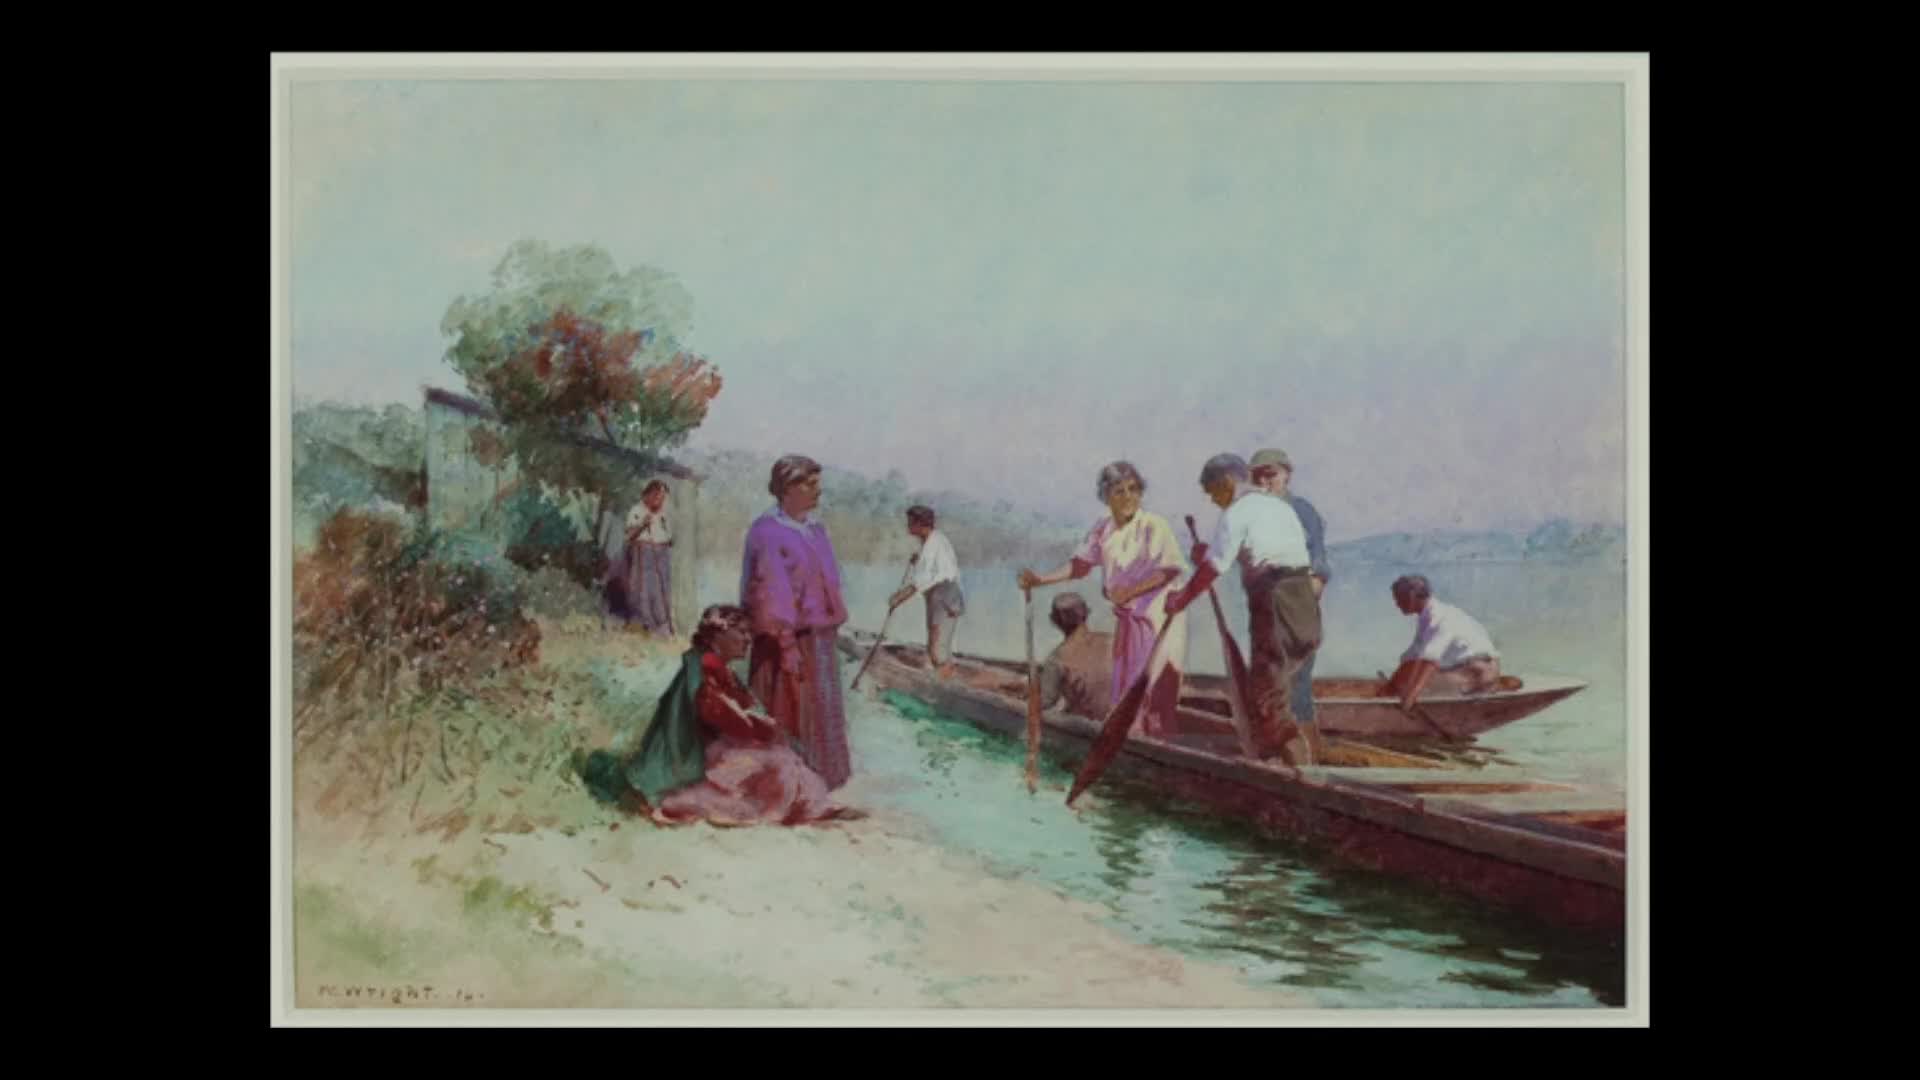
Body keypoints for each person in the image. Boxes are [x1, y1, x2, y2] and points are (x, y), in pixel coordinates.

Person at [576, 605, 860, 826]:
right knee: (780, 766)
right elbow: (722, 715)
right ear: (718, 635)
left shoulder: (719, 669)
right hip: (703, 756)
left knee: (787, 761)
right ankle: (683, 805)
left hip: (722, 751)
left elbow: (748, 712)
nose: (748, 640)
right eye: (742, 632)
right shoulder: (703, 669)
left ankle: (812, 806)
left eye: (749, 633)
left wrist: (761, 725)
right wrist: (758, 726)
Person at [1163, 453, 1320, 763]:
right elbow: (1264, 549)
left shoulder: (1237, 513)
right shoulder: (1279, 507)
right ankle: (1282, 754)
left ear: (1226, 483)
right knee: (1279, 685)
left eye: (1213, 493)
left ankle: (1290, 763)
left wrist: (1180, 599)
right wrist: (1209, 556)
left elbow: (1213, 569)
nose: (1213, 501)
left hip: (1273, 601)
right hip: (1304, 604)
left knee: (1267, 692)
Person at [1017, 461, 1189, 736]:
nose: (1128, 497)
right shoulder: (1104, 529)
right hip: (1128, 619)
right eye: (1119, 491)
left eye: (1133, 489)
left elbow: (1168, 570)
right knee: (1124, 686)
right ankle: (1130, 735)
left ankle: (1151, 739)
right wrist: (1041, 580)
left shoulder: (1153, 526)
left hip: (1158, 620)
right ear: (1106, 496)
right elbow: (1080, 566)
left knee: (1152, 686)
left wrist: (1129, 592)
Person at [739, 455, 854, 789]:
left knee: (820, 711)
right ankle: (785, 784)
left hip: (818, 635)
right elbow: (768, 590)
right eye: (809, 484)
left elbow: (828, 582)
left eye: (818, 484)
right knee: (788, 706)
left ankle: (823, 779)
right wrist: (786, 644)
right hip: (784, 639)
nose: (818, 491)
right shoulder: (767, 531)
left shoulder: (816, 530)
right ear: (787, 488)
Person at [1250, 448, 1329, 763]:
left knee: (1296, 685)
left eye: (1271, 475)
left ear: (1286, 474)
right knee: (1271, 684)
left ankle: (1309, 758)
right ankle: (1282, 752)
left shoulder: (1301, 512)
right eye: (1259, 477)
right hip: (1268, 613)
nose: (1265, 482)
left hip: (1295, 612)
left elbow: (1319, 569)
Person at [1378, 575, 1503, 708]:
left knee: (1408, 679)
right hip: (1477, 671)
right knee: (1406, 673)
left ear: (1412, 595)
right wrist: (1393, 682)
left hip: (1478, 675)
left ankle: (1386, 702)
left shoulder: (1438, 616)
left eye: (1399, 598)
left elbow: (1429, 660)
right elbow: (1412, 656)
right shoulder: (1429, 616)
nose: (1397, 604)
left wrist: (1411, 696)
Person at [888, 505, 966, 678]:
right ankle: (943, 675)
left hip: (944, 595)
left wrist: (899, 598)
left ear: (920, 524)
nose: (907, 526)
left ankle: (944, 682)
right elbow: (933, 568)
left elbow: (921, 581)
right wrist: (919, 560)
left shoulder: (932, 545)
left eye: (910, 523)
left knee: (937, 649)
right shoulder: (934, 540)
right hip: (944, 594)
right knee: (937, 645)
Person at [1035, 592, 1115, 721]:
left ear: (1054, 620)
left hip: (1086, 727)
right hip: (1116, 721)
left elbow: (1044, 702)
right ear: (1086, 613)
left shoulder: (1057, 657)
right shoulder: (1112, 641)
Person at [624, 480, 674, 635]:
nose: (661, 501)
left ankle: (662, 626)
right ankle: (644, 625)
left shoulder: (662, 515)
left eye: (663, 498)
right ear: (649, 495)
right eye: (658, 497)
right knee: (642, 590)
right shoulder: (637, 510)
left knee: (661, 590)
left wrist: (668, 541)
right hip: (643, 554)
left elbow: (667, 536)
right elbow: (629, 536)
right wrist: (642, 525)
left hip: (661, 555)